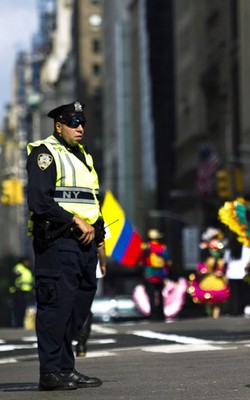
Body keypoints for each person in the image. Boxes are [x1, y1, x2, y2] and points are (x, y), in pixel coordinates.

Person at [26, 101, 103, 390]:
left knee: (76, 310)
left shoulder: (84, 157)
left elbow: (91, 202)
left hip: (85, 247)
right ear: (58, 125)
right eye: (73, 122)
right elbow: (39, 200)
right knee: (56, 307)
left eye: (82, 122)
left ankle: (65, 368)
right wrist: (74, 222)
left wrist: (100, 241)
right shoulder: (45, 154)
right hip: (58, 243)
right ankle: (50, 372)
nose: (80, 128)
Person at [139, 229, 172, 321]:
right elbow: (168, 261)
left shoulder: (145, 247)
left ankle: (153, 314)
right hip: (161, 274)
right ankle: (161, 314)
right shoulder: (162, 248)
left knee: (151, 295)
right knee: (160, 294)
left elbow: (141, 261)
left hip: (149, 273)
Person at [9, 257, 33, 328]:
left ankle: (20, 324)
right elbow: (13, 278)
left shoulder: (27, 271)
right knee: (18, 309)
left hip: (25, 292)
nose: (28, 263)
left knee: (23, 309)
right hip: (18, 292)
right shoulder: (18, 268)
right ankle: (17, 324)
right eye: (27, 261)